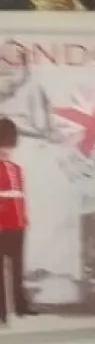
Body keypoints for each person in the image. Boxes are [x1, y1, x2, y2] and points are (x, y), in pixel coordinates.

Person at [0, 116, 28, 322]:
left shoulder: (16, 169)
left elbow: (19, 198)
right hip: (2, 225)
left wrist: (23, 220)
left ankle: (20, 306)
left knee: (18, 268)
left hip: (17, 225)